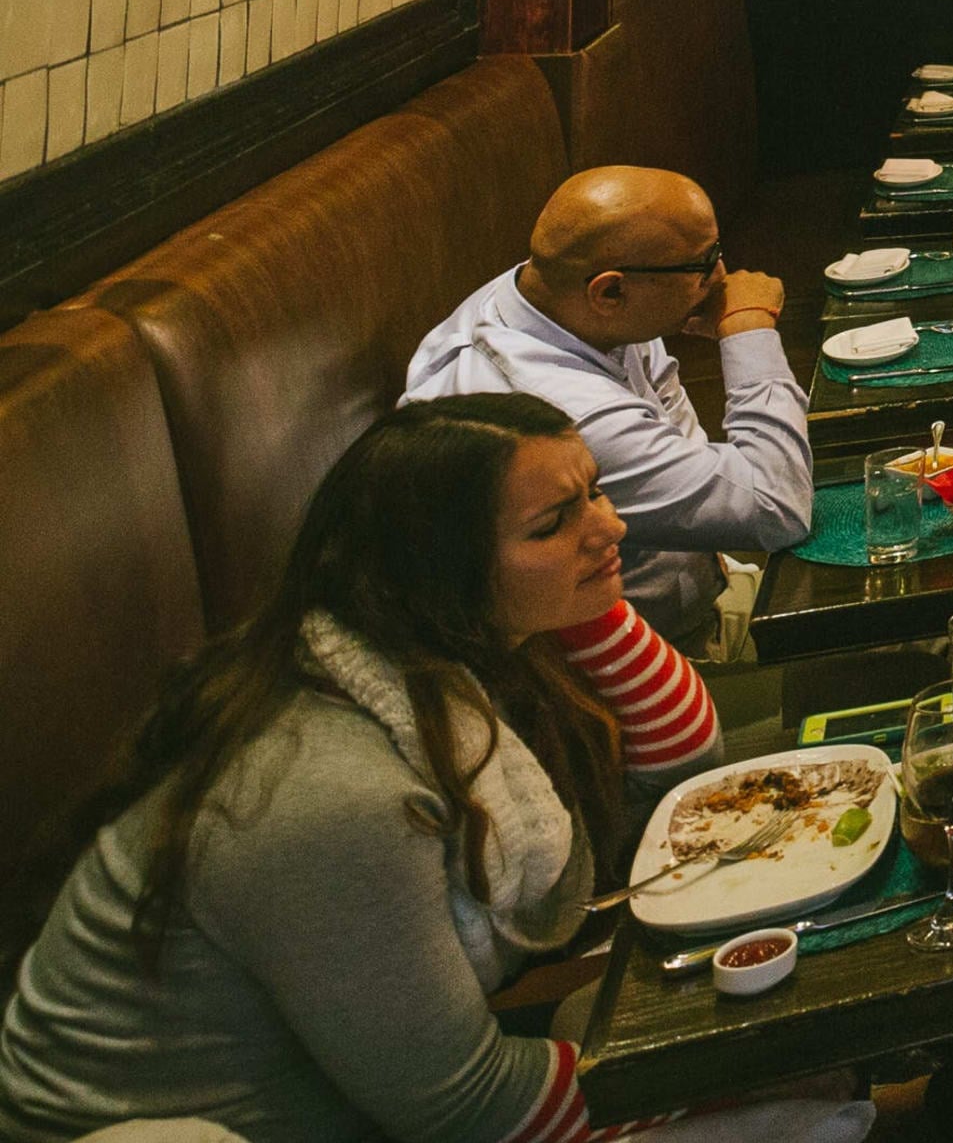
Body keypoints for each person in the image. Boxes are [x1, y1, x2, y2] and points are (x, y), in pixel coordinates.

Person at [0, 396, 780, 1143]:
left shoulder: (430, 659)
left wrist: (586, 587)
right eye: (553, 523)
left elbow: (679, 763)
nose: (613, 524)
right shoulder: (329, 793)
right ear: (442, 572)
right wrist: (745, 1083)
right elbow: (469, 1109)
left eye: (597, 494)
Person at [403, 167, 812, 650]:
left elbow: (688, 447)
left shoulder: (556, 297)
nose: (722, 277)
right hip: (626, 663)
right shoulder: (558, 415)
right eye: (702, 264)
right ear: (610, 291)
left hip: (710, 591)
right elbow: (776, 506)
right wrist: (748, 328)